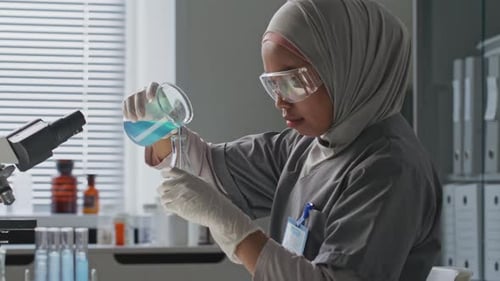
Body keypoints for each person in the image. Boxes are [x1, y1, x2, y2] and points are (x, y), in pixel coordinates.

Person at [123, 0, 442, 280]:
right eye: (274, 84)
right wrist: (160, 129)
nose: (280, 101)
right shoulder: (306, 146)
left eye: (294, 81)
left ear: (347, 69)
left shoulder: (389, 169)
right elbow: (210, 171)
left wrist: (231, 227)